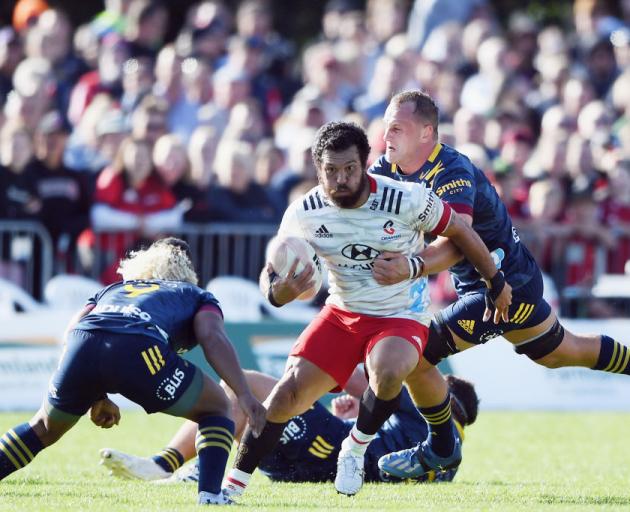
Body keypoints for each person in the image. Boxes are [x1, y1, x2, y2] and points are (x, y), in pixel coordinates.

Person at [220, 121, 510, 500]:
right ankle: (232, 486)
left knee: (388, 369)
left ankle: (354, 450)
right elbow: (271, 275)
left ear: (365, 164)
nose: (341, 179)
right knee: (286, 395)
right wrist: (278, 291)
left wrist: (495, 282)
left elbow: (460, 232)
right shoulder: (303, 212)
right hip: (342, 313)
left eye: (349, 169)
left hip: (401, 313)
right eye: (331, 171)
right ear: (317, 169)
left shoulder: (406, 199)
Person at [368, 89, 630, 480]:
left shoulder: (451, 171)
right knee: (561, 352)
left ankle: (440, 450)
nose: (387, 136)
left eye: (396, 128)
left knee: (414, 356)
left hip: (503, 289)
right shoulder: (389, 168)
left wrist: (408, 267)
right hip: (493, 284)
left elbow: (456, 247)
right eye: (386, 127)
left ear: (426, 133)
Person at [0, 237, 266, 506]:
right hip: (139, 344)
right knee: (218, 407)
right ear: (188, 273)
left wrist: (95, 394)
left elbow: (73, 330)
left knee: (44, 426)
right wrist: (243, 393)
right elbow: (212, 337)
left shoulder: (113, 289)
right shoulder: (195, 295)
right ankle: (211, 497)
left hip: (80, 343)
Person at [99, 369, 479, 485]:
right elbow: (391, 444)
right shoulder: (452, 454)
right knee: (257, 401)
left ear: (444, 391)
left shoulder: (429, 403)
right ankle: (191, 467)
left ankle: (171, 465)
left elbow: (355, 377)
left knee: (245, 386)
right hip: (327, 467)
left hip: (331, 457)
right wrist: (354, 415)